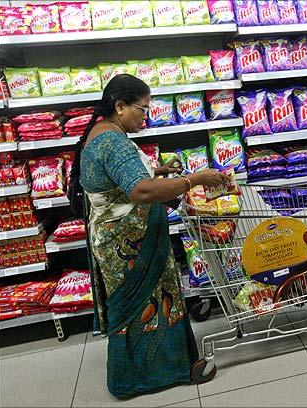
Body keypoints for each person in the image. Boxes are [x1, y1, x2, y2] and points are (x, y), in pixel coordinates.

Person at [74, 74, 228, 398]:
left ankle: (138, 372)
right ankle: (153, 374)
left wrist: (158, 171)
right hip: (129, 246)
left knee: (143, 306)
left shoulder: (103, 132)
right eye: (142, 110)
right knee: (147, 306)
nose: (146, 117)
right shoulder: (112, 141)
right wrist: (194, 179)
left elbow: (118, 177)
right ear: (120, 106)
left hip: (122, 240)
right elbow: (140, 191)